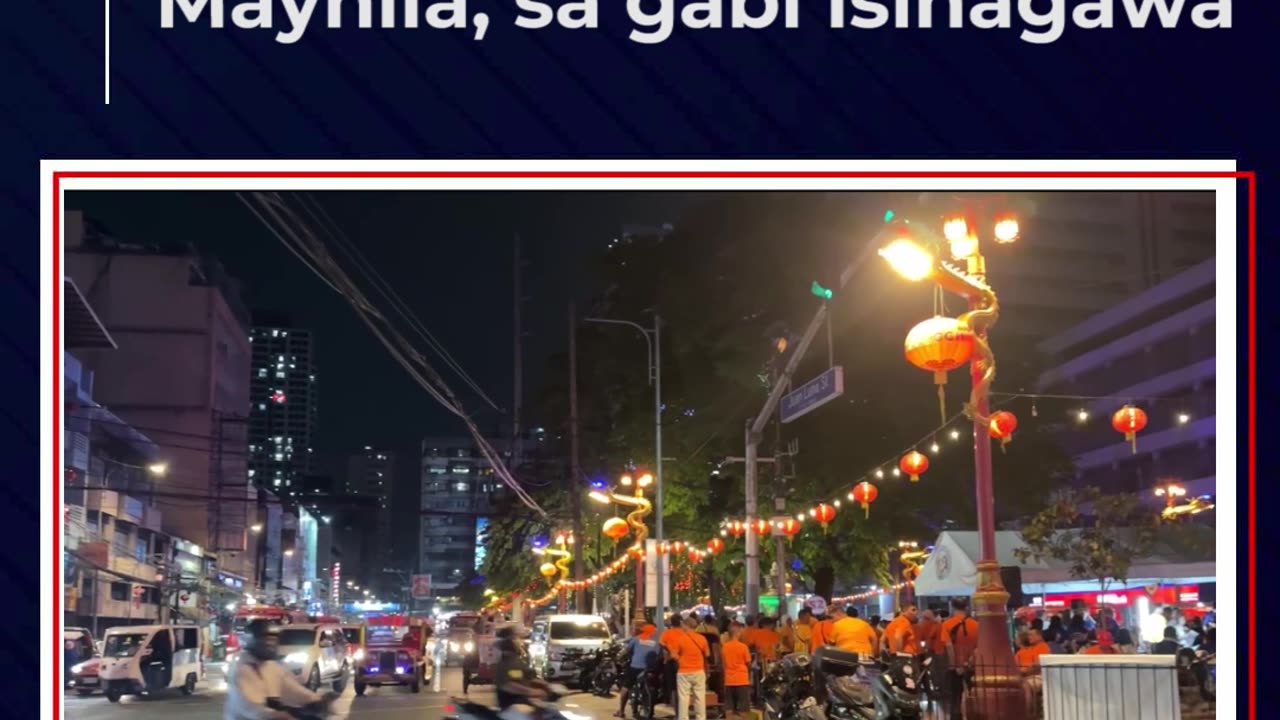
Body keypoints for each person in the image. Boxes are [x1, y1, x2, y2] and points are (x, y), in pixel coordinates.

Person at [224, 620, 331, 720]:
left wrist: (314, 700)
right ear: (252, 640)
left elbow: (290, 688)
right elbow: (250, 707)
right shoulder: (243, 669)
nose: (271, 644)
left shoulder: (271, 666)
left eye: (274, 640)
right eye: (267, 640)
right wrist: (275, 714)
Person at [494, 625, 553, 713]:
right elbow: (507, 685)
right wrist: (533, 692)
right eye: (516, 638)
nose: (520, 641)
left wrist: (547, 685)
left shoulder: (518, 660)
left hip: (524, 702)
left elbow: (527, 676)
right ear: (509, 642)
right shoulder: (504, 662)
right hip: (512, 706)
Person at [663, 615, 711, 720]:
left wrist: (680, 659)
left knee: (684, 698)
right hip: (698, 671)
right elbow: (707, 654)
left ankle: (683, 718)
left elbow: (674, 655)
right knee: (699, 697)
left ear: (687, 626)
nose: (682, 626)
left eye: (683, 625)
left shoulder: (681, 639)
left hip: (684, 671)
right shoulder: (702, 639)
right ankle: (701, 718)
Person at [940, 598, 979, 719]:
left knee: (955, 697)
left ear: (952, 608)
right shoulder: (976, 625)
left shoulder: (946, 624)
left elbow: (949, 646)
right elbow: (978, 648)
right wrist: (968, 663)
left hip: (955, 667)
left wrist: (954, 665)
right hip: (973, 666)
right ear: (966, 608)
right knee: (974, 694)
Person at [616, 621, 660, 718]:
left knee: (626, 687)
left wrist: (619, 658)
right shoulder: (657, 641)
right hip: (651, 669)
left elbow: (626, 651)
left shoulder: (636, 639)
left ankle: (621, 711)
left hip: (636, 667)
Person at [720, 622, 752, 720]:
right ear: (737, 632)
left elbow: (723, 664)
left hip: (729, 680)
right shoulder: (743, 647)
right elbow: (748, 663)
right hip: (741, 680)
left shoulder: (724, 647)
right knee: (743, 709)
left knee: (729, 708)